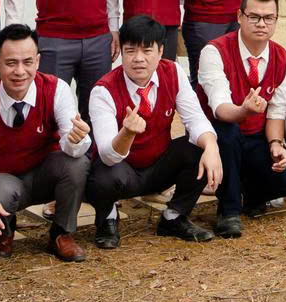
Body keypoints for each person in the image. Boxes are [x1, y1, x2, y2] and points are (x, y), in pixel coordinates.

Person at [84, 14, 222, 247]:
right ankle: (107, 218)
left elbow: (195, 119)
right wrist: (126, 133)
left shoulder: (173, 72)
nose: (139, 59)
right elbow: (107, 155)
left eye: (147, 50)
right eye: (130, 51)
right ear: (121, 53)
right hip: (122, 172)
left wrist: (211, 146)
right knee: (102, 174)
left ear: (160, 51)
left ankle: (174, 217)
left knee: (199, 149)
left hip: (158, 166)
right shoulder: (103, 91)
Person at [0, 24, 92, 261]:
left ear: (38, 61)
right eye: (11, 63)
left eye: (27, 62)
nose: (20, 71)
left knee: (77, 163)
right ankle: (4, 234)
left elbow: (72, 145)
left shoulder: (56, 89)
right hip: (5, 179)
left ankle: (62, 233)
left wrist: (77, 140)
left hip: (45, 174)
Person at [197, 0, 286, 235]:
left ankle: (249, 194)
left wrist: (275, 144)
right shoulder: (214, 51)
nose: (261, 24)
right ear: (240, 16)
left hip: (255, 138)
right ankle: (229, 211)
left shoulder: (282, 57)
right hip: (219, 137)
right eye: (254, 17)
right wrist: (244, 111)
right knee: (228, 132)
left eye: (268, 18)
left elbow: (276, 112)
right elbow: (220, 108)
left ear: (276, 20)